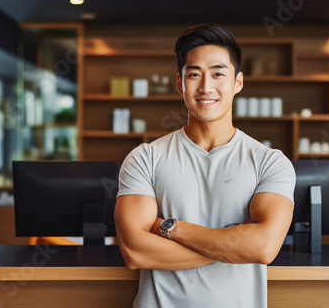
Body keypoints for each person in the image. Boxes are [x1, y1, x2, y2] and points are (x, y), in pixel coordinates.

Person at [114, 23, 295, 308]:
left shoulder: (270, 163)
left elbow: (263, 247)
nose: (206, 87)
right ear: (179, 83)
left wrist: (171, 229)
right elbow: (136, 252)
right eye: (194, 75)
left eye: (218, 74)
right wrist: (231, 244)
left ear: (238, 82)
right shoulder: (145, 157)